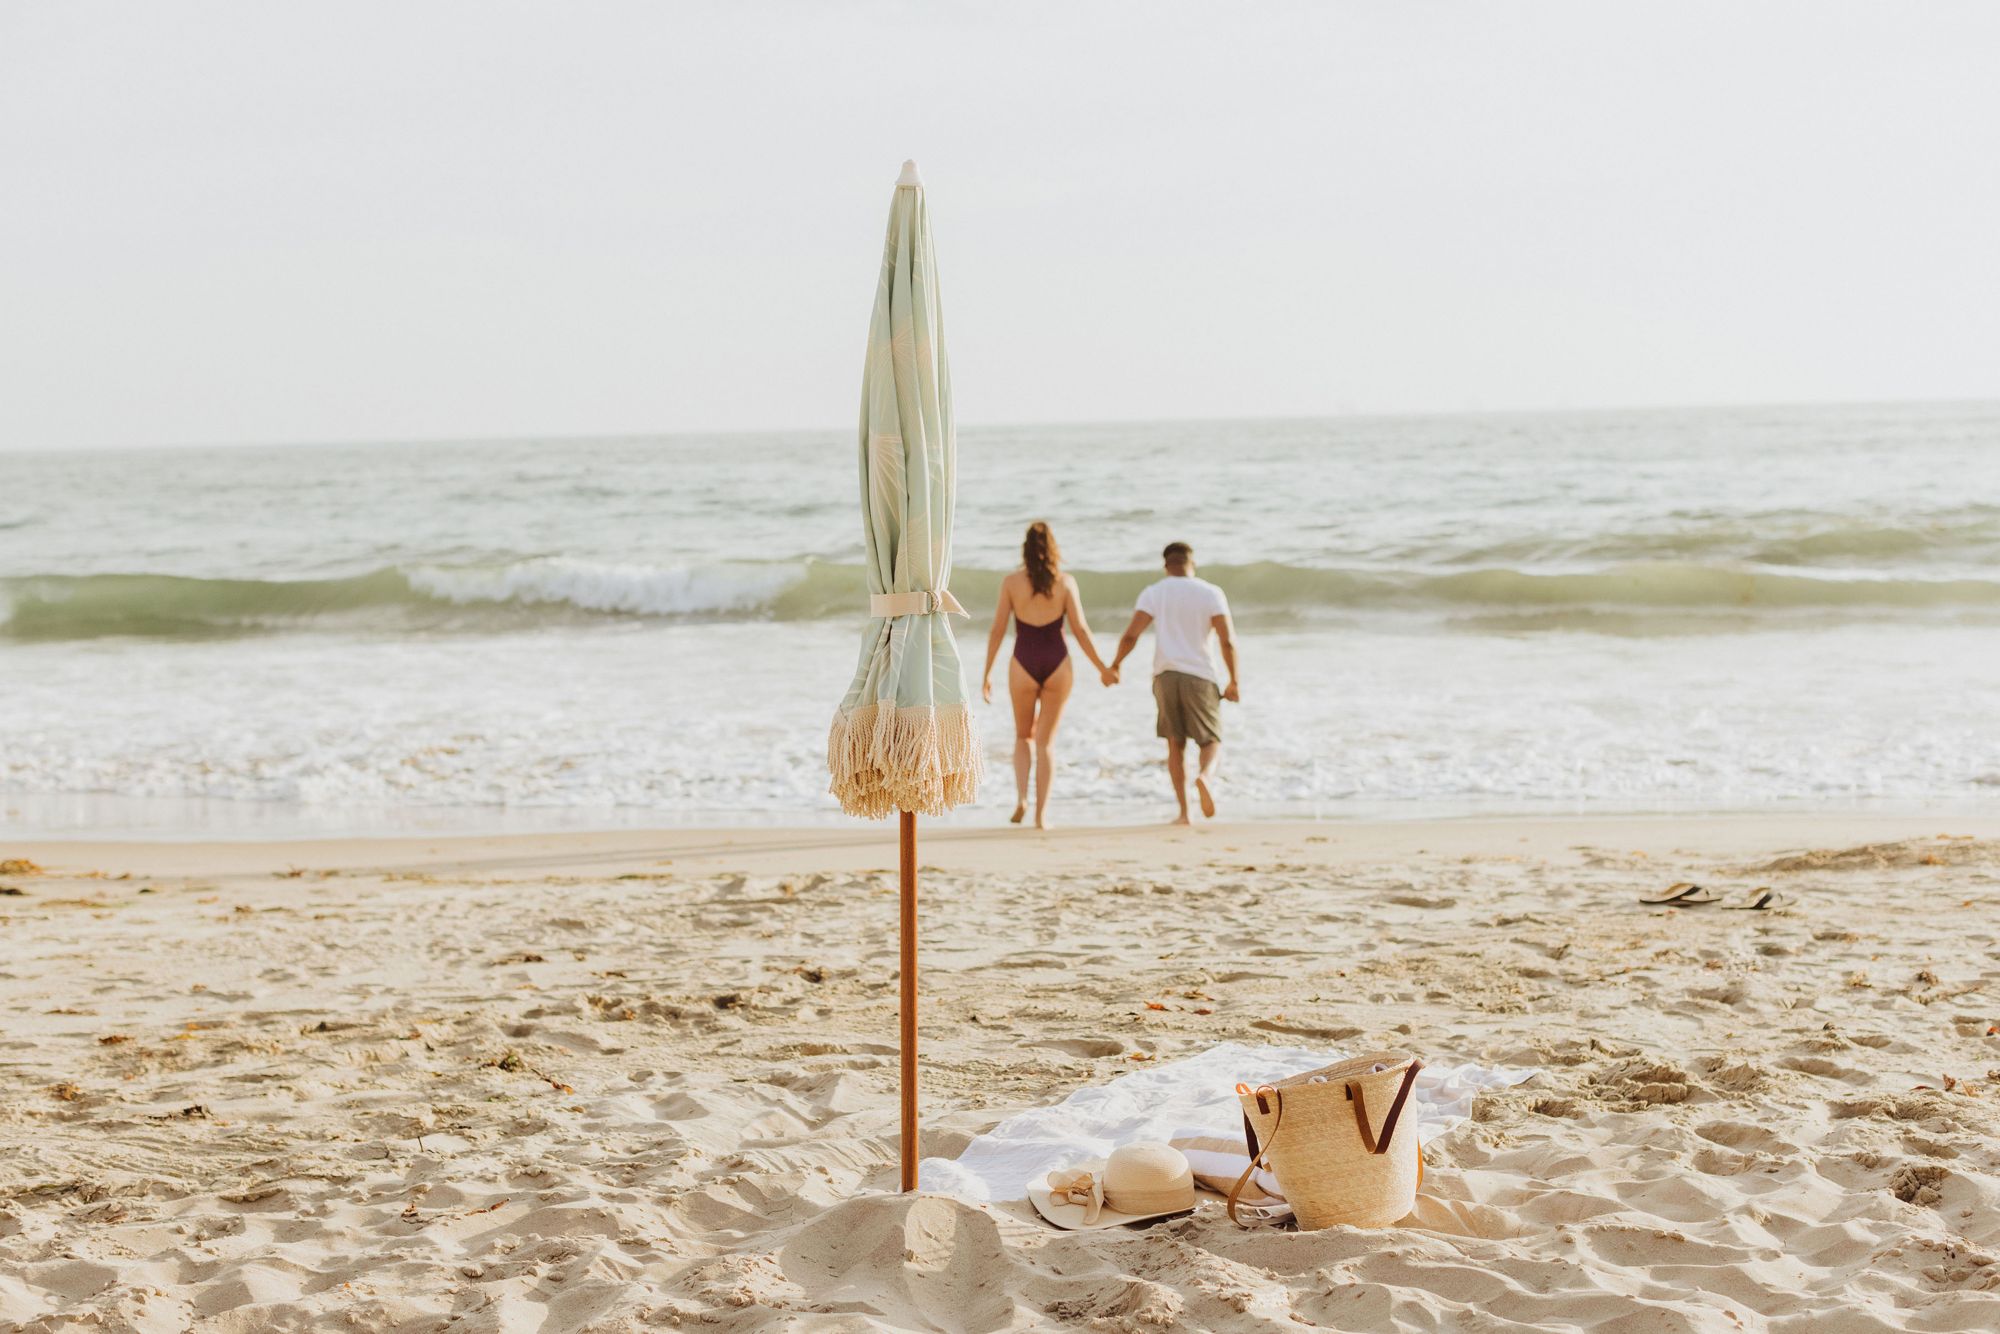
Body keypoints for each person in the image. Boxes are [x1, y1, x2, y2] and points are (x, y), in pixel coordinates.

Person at [981, 522, 1115, 828]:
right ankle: (1041, 816)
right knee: (1045, 743)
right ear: (1054, 548)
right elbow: (1080, 630)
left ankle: (1021, 800)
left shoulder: (1011, 583)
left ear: (1025, 549)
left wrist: (986, 673)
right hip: (1058, 664)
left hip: (1022, 664)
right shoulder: (1066, 582)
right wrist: (1103, 668)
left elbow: (998, 630)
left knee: (1022, 736)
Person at [1107, 541, 1240, 824]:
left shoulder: (1154, 593)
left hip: (1165, 676)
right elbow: (1227, 640)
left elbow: (1132, 635)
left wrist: (1116, 664)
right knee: (1210, 739)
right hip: (1201, 674)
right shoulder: (1211, 593)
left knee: (1175, 745)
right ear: (1192, 563)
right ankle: (1204, 777)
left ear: (1166, 564)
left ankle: (1184, 813)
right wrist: (1234, 680)